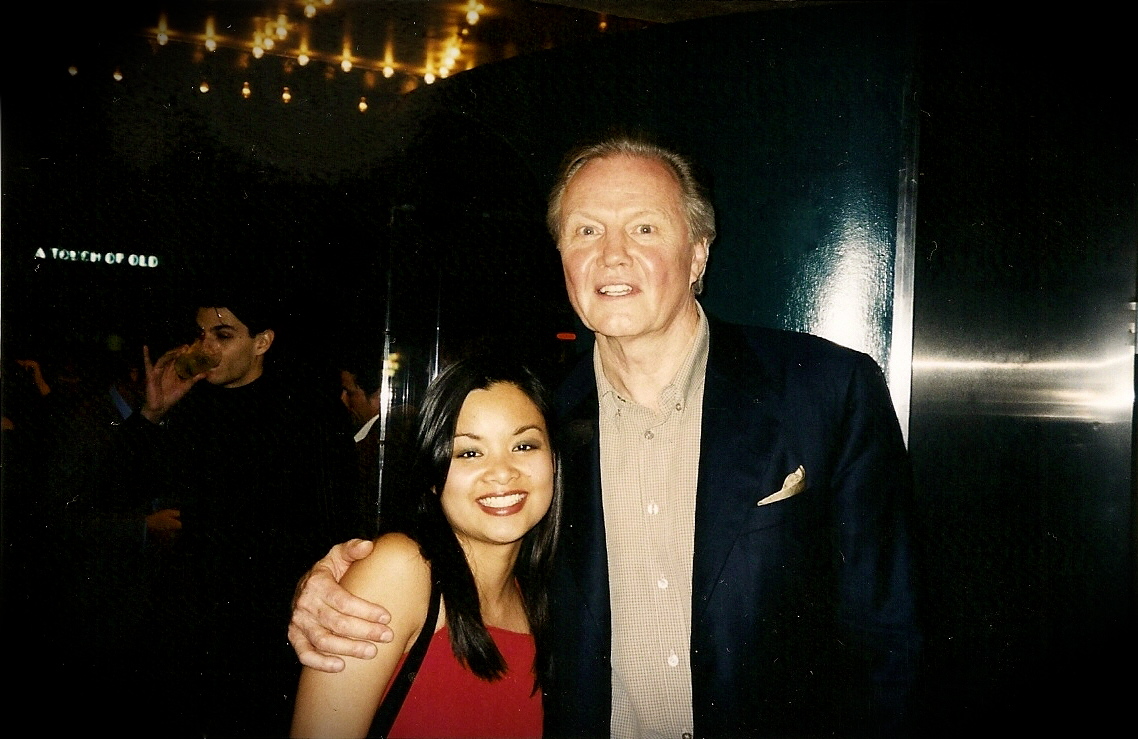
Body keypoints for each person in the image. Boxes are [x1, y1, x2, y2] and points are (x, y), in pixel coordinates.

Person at [288, 134, 922, 738]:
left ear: (698, 252)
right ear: (562, 257)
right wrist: (334, 580)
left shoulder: (824, 389)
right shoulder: (537, 428)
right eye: (585, 231)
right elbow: (459, 560)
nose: (612, 255)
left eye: (644, 228)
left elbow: (890, 630)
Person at [105, 281, 363, 738]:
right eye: (202, 333)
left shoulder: (308, 413)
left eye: (222, 335)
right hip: (188, 629)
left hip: (265, 634)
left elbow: (334, 527)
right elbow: (114, 491)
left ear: (261, 342)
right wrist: (151, 413)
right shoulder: (191, 405)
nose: (205, 347)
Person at [291, 353, 561, 738]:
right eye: (469, 452)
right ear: (434, 475)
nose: (502, 472)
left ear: (553, 459)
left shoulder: (549, 596)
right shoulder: (401, 570)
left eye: (524, 446)